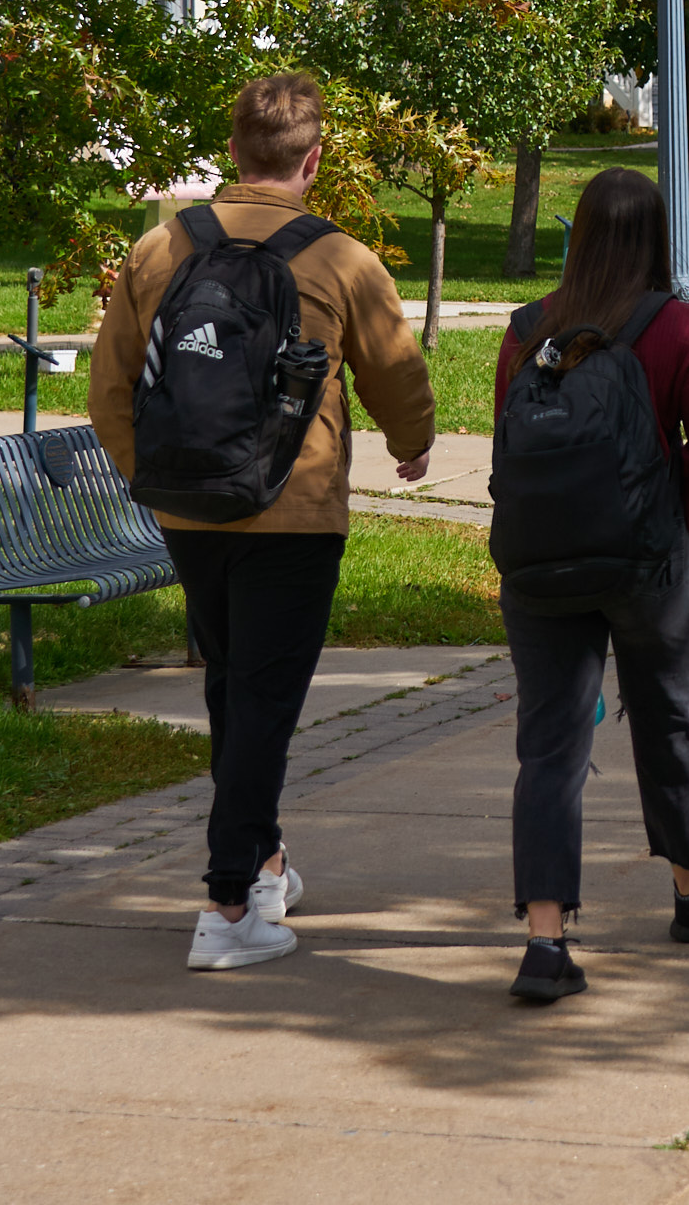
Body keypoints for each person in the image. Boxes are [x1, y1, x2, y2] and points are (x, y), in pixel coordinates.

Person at [87, 70, 437, 971]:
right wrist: (413, 444)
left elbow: (111, 390)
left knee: (232, 692)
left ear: (233, 151)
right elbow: (396, 371)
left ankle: (268, 863)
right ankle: (227, 904)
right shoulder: (341, 259)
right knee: (265, 706)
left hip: (190, 515)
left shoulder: (160, 249)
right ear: (312, 160)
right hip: (295, 510)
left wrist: (155, 479)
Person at [492, 166, 689, 1003]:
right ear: (657, 235)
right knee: (670, 718)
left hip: (541, 567)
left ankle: (546, 941)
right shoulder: (677, 328)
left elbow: (510, 442)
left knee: (550, 745)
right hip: (647, 563)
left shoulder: (529, 328)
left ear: (583, 234)